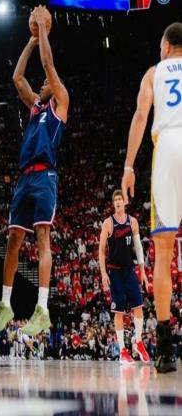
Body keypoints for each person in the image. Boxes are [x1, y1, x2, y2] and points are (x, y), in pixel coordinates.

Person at [0, 5, 69, 335]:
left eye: (47, 81)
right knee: (13, 240)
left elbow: (48, 65)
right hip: (25, 177)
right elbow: (17, 78)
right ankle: (5, 304)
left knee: (42, 238)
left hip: (45, 176)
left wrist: (44, 32)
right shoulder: (35, 106)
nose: (43, 82)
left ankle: (42, 310)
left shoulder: (61, 101)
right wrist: (32, 39)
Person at [121, 22, 182, 374]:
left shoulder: (154, 72)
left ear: (167, 45)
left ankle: (165, 349)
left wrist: (129, 166)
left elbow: (142, 115)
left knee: (163, 252)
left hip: (168, 147)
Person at [98, 190, 150, 365]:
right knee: (119, 312)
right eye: (116, 200)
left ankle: (138, 341)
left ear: (124, 202)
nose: (118, 202)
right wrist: (103, 273)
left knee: (139, 307)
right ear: (113, 204)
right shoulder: (108, 223)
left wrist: (143, 271)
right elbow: (101, 250)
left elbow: (138, 248)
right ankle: (122, 351)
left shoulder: (132, 222)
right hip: (115, 272)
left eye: (120, 199)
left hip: (129, 271)